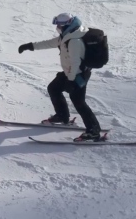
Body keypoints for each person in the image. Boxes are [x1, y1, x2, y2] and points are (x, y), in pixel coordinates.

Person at [18, 12, 102, 141]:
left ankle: (94, 131)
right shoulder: (68, 35)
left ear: (67, 24)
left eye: (60, 24)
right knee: (54, 88)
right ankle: (62, 116)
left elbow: (75, 62)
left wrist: (71, 80)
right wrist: (30, 46)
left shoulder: (74, 40)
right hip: (71, 72)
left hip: (78, 74)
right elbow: (50, 43)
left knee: (79, 102)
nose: (58, 27)